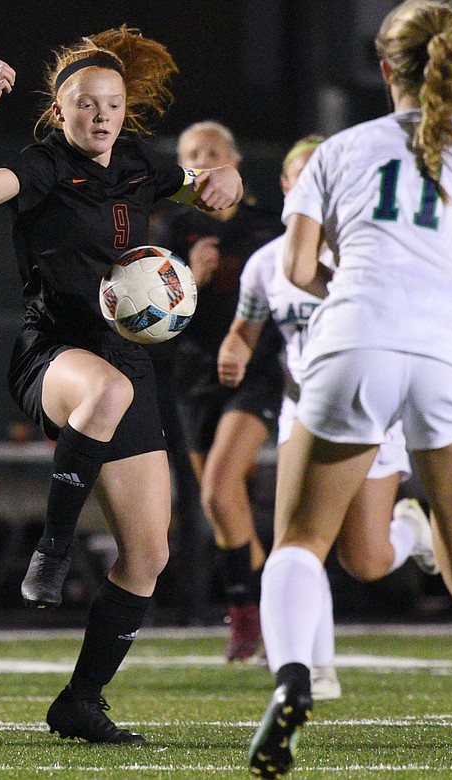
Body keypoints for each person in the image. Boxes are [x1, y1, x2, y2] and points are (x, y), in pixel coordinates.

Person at [246, 2, 452, 778]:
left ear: (384, 66)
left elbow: (297, 271)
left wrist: (343, 279)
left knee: (299, 543)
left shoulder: (338, 150)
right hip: (450, 351)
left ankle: (294, 681)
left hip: (352, 339)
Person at [0, 26, 242, 743]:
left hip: (125, 363)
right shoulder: (43, 166)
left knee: (150, 555)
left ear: (124, 108)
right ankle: (53, 548)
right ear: (60, 111)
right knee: (105, 392)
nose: (100, 116)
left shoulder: (137, 164)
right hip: (55, 357)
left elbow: (200, 183)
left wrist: (219, 181)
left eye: (110, 103)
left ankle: (80, 701)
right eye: (85, 105)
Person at [219, 134, 437, 699]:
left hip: (373, 412)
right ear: (289, 187)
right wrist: (233, 352)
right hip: (304, 413)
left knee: (365, 559)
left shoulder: (366, 252)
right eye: (303, 174)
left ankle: (410, 526)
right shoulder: (267, 264)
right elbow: (244, 331)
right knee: (297, 541)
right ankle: (314, 668)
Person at [151, 121, 284, 661]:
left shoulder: (268, 227)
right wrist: (190, 279)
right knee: (223, 505)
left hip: (257, 373)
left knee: (219, 488)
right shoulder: (173, 228)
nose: (203, 160)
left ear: (233, 159)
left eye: (212, 151)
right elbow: (150, 315)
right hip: (194, 376)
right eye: (191, 154)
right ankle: (264, 607)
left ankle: (247, 615)